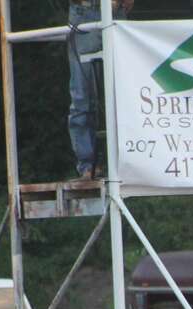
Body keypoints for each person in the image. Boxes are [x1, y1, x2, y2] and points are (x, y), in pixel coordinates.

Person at [67, 0, 132, 179]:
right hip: (85, 12)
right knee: (82, 95)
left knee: (127, 91)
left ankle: (129, 160)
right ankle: (88, 166)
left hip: (115, 12)